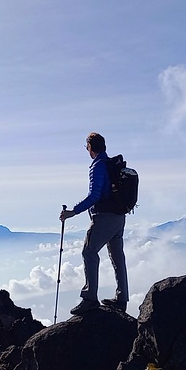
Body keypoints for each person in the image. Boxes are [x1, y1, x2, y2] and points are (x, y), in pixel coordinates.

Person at [59, 132, 129, 315]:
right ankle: (121, 299)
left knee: (89, 252)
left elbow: (95, 195)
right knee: (117, 256)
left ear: (90, 147)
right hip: (119, 216)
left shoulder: (97, 166)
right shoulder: (110, 164)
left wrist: (73, 211)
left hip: (104, 216)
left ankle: (90, 298)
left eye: (87, 147)